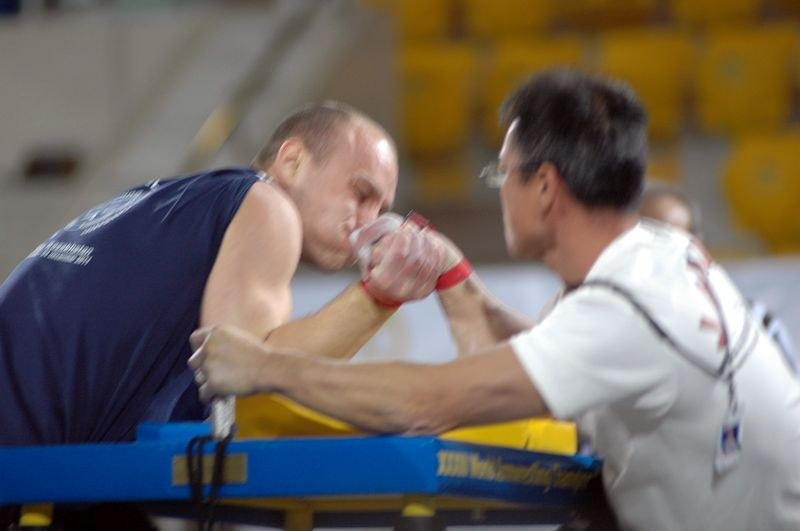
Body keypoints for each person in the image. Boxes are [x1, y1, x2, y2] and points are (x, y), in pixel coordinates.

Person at [190, 71, 800, 530]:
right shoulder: (659, 253)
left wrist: (263, 364)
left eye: (501, 173)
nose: (498, 189)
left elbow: (424, 404)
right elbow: (525, 349)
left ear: (543, 186)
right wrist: (452, 275)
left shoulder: (626, 310)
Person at [0, 100, 454, 448]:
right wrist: (379, 297)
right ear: (292, 160)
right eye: (360, 193)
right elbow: (246, 376)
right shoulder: (267, 205)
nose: (367, 220)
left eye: (380, 207)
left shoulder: (186, 201)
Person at [639, 181, 800, 376]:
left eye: (672, 239)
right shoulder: (612, 333)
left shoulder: (755, 325)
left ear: (699, 245)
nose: (660, 254)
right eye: (644, 241)